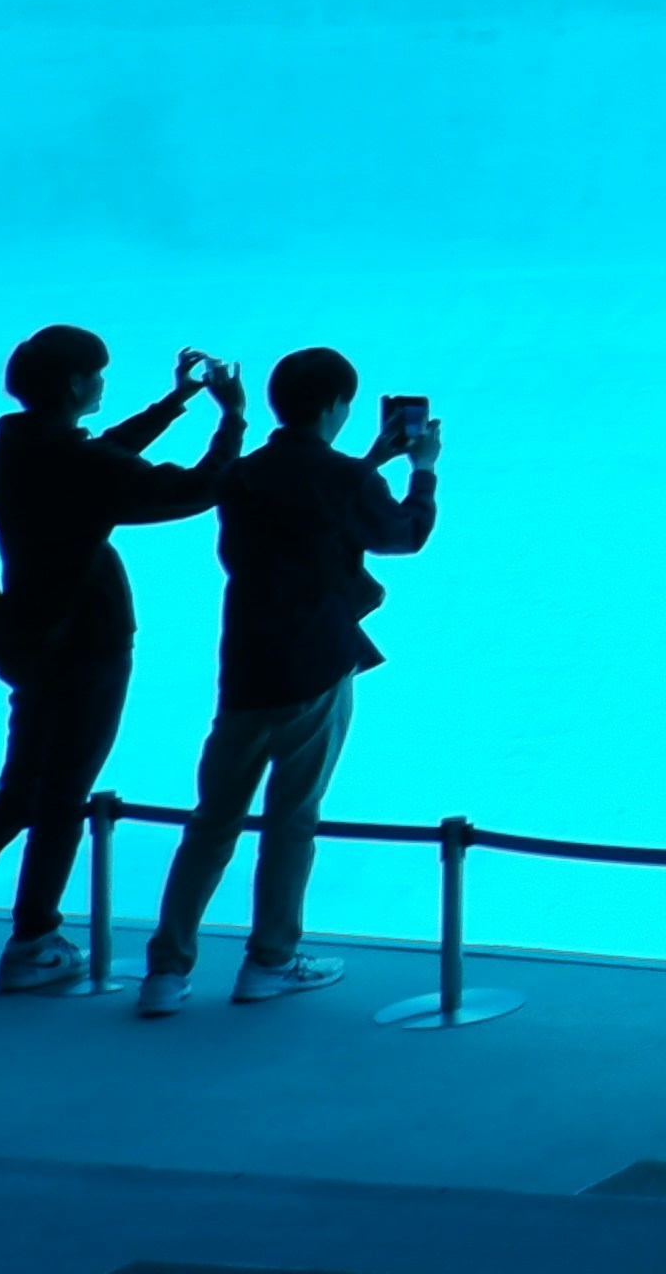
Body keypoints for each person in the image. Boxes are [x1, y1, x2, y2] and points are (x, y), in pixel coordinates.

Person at [0, 329, 243, 997]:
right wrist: (232, 416)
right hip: (88, 650)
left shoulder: (19, 445)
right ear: (77, 385)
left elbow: (103, 460)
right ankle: (34, 941)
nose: (104, 384)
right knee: (61, 799)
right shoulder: (75, 466)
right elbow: (196, 490)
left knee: (16, 797)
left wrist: (174, 405)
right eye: (98, 374)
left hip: (31, 642)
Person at [137, 348, 435, 1017]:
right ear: (336, 405)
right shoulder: (341, 480)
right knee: (292, 820)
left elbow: (304, 506)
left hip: (246, 669)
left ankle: (166, 972)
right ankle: (268, 962)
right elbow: (402, 535)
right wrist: (421, 471)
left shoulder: (244, 475)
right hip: (317, 666)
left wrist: (367, 465)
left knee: (211, 824)